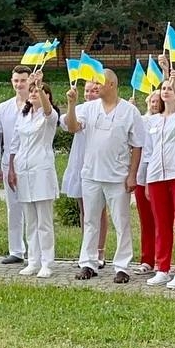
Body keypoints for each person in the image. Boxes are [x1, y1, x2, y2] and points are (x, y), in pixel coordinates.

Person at [63, 70, 144, 282]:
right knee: (90, 220)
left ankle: (122, 266)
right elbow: (73, 127)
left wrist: (132, 175)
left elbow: (137, 145)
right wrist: (71, 104)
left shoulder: (129, 111)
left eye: (99, 82)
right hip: (91, 174)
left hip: (117, 176)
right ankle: (88, 263)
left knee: (121, 222)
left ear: (112, 85)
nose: (96, 86)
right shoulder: (88, 108)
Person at [143, 71, 175, 289]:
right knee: (161, 224)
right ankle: (162, 268)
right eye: (163, 88)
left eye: (170, 89)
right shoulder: (152, 120)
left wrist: (174, 84)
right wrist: (147, 179)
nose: (166, 91)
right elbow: (148, 151)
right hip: (156, 176)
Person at [8, 72, 59, 277]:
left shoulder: (50, 117)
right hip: (24, 170)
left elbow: (47, 111)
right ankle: (33, 261)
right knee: (30, 220)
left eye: (39, 92)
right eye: (32, 92)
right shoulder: (23, 116)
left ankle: (47, 262)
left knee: (44, 221)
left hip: (41, 170)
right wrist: (12, 168)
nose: (34, 93)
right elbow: (16, 143)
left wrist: (39, 85)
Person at [60, 79, 109, 267]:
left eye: (94, 90)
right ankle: (86, 250)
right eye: (87, 91)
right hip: (80, 161)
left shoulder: (106, 110)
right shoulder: (80, 109)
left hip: (99, 163)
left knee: (99, 210)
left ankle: (100, 250)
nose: (90, 94)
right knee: (85, 210)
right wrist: (71, 104)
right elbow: (70, 125)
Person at [0, 66, 32, 266]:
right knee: (13, 208)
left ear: (30, 81)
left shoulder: (34, 104)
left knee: (31, 208)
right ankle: (16, 250)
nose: (19, 84)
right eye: (16, 80)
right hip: (8, 162)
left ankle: (34, 250)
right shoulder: (3, 107)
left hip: (30, 162)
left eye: (23, 80)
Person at [132, 90, 161, 274]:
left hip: (160, 176)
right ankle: (147, 258)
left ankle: (161, 260)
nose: (155, 104)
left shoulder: (167, 120)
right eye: (152, 101)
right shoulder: (141, 121)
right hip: (142, 176)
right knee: (146, 220)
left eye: (158, 101)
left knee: (162, 221)